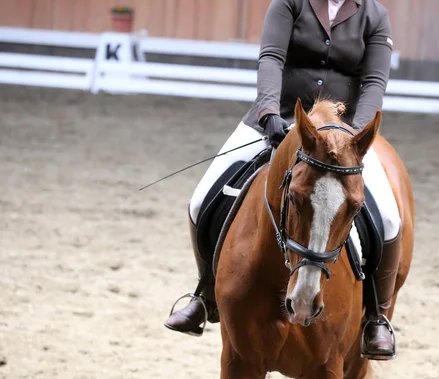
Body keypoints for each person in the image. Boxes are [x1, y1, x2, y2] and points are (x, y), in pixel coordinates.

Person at [164, 0, 402, 359]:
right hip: (281, 119)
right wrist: (269, 112)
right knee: (201, 200)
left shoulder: (374, 15)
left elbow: (373, 81)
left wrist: (354, 137)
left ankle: (377, 317)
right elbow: (272, 58)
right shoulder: (290, 3)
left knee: (388, 218)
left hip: (343, 137)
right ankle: (206, 293)